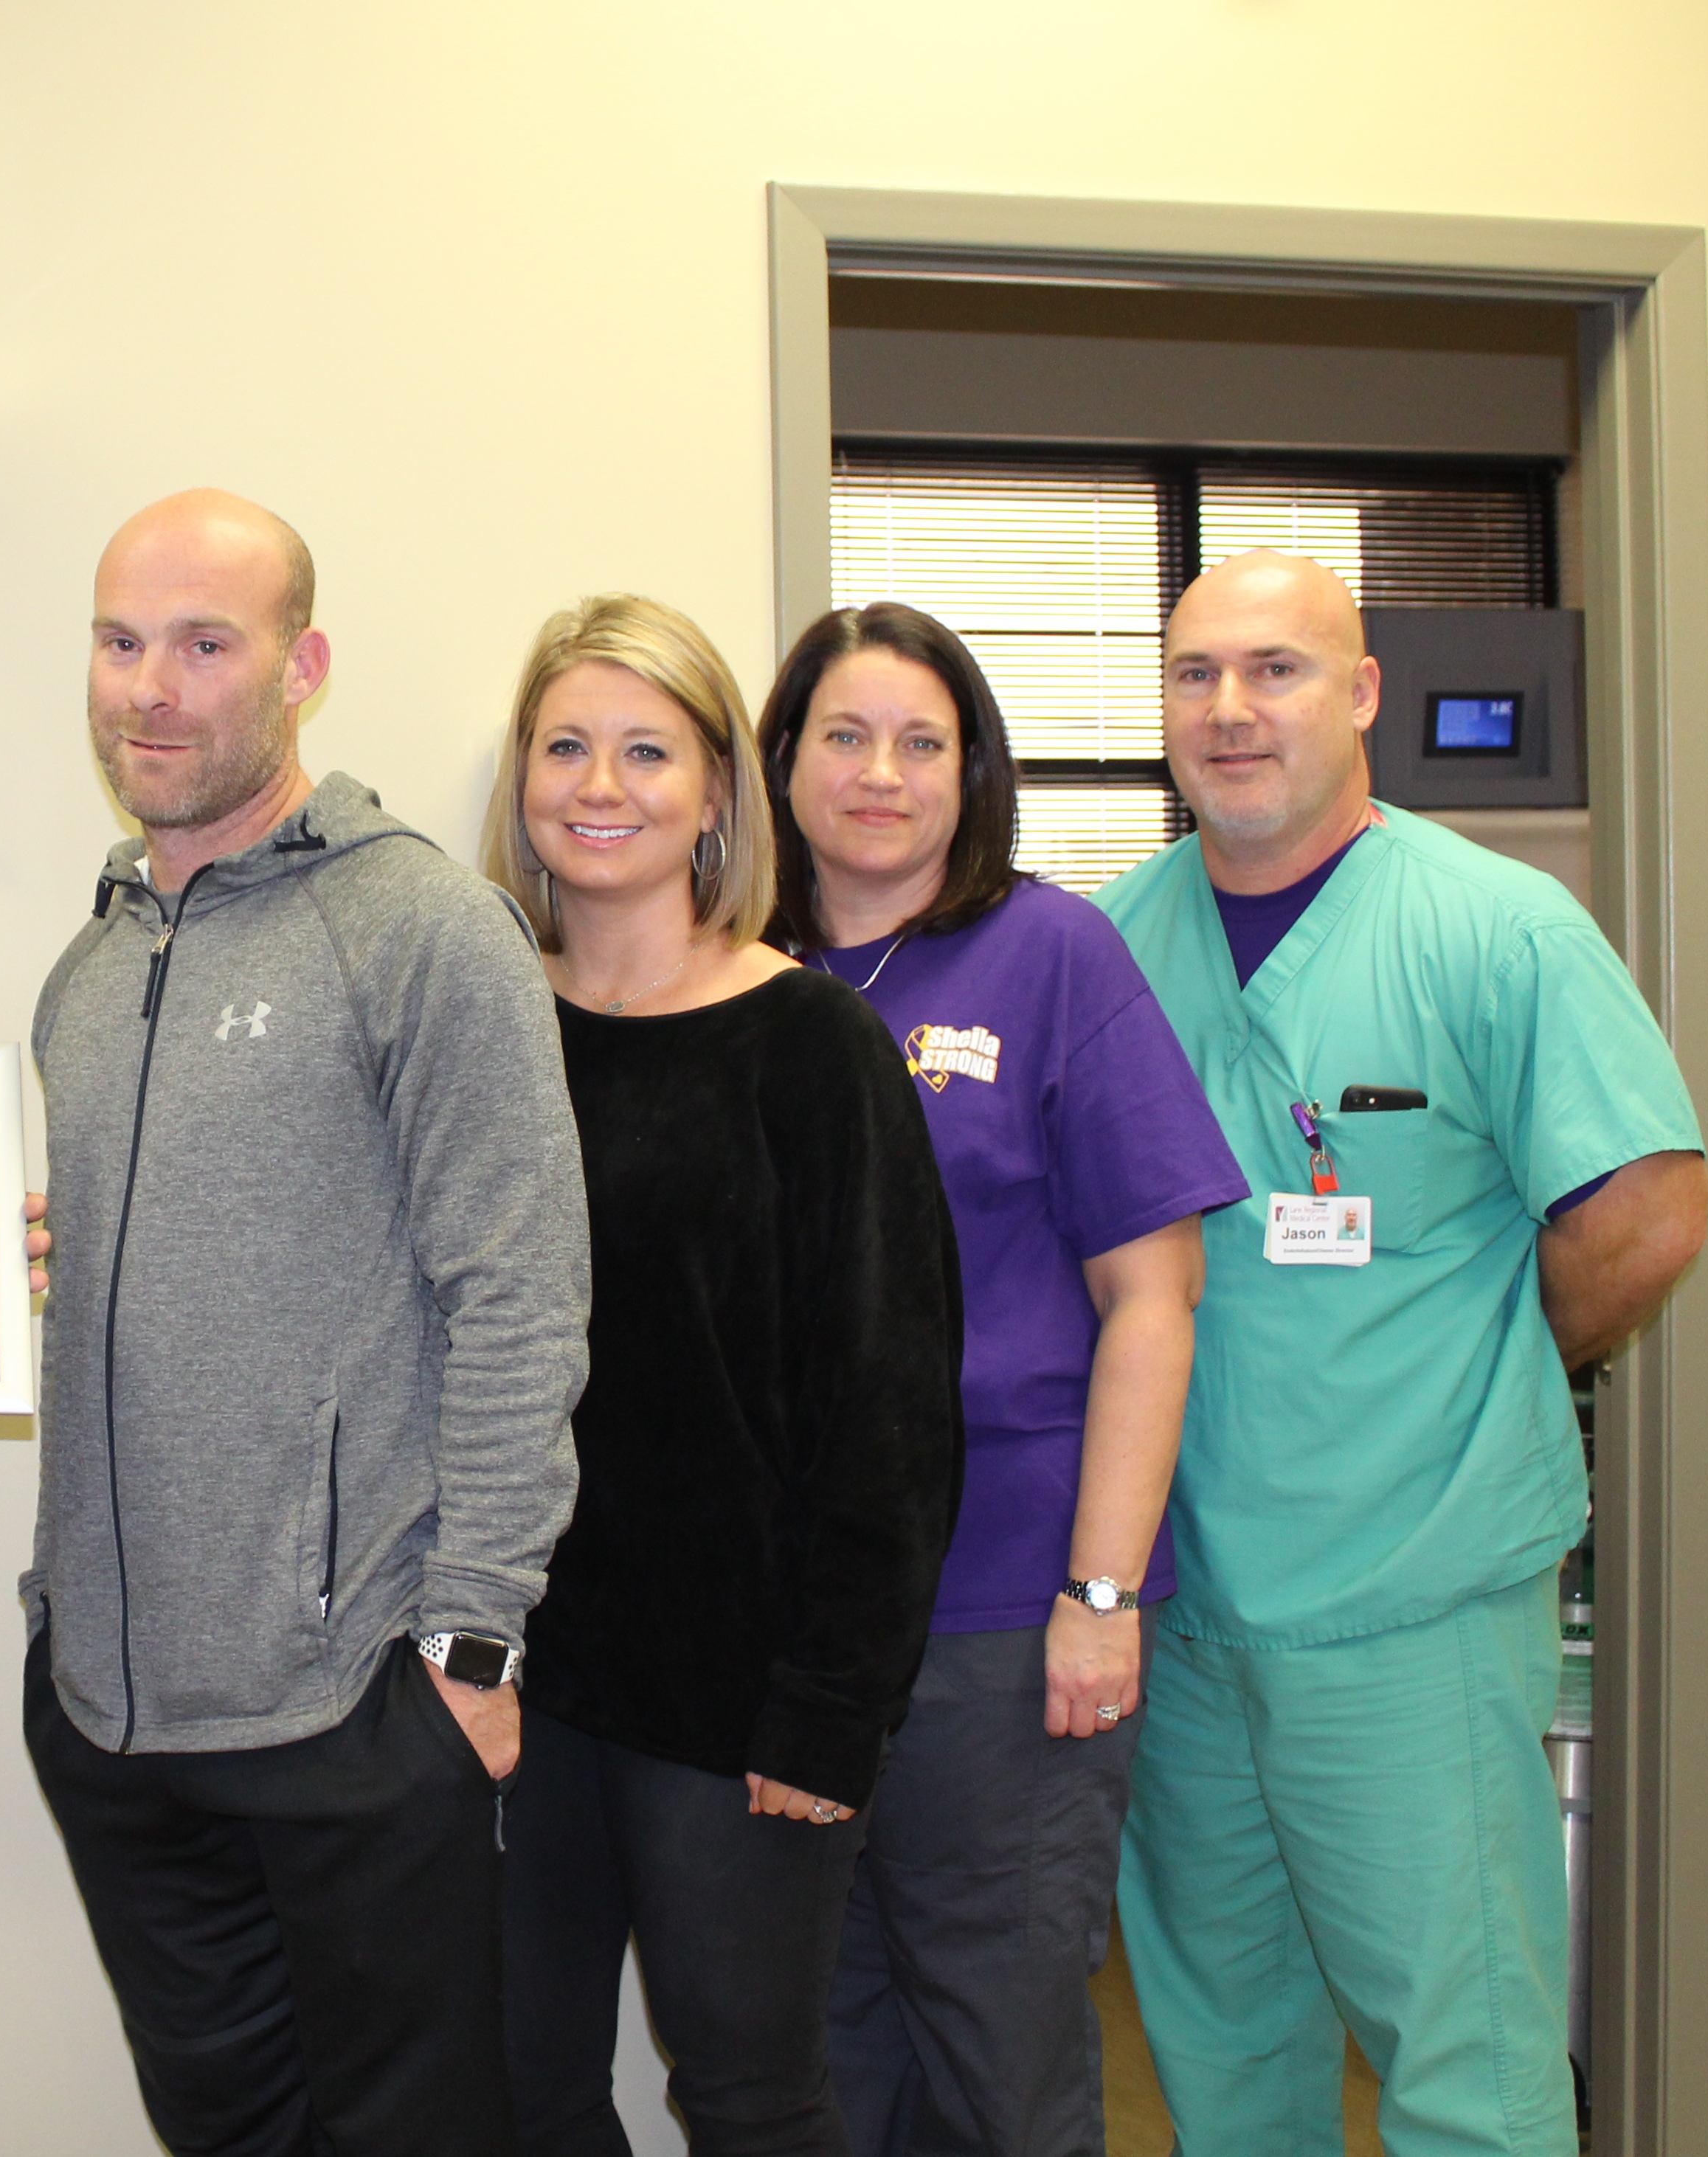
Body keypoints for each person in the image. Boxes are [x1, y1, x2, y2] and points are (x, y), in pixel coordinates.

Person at [1095, 550, 1707, 2156]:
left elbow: (1645, 1206)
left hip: (1410, 1607)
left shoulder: (1494, 929)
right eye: (1191, 674)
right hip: (1183, 1613)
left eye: (1274, 669)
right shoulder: (1108, 946)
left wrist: (1489, 1352)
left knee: (1462, 2065)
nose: (1228, 710)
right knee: (1221, 2060)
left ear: (1358, 693)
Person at [27, 489, 590, 2156]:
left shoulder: (418, 926)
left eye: (205, 643)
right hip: (117, 1717)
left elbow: (518, 1294)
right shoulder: (86, 959)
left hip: (352, 1711)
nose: (152, 685)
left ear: (301, 665)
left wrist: (470, 1642)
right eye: (121, 641)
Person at [755, 602, 1248, 2157]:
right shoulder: (722, 974)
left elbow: (1153, 1298)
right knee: (811, 2058)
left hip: (997, 1617)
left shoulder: (1047, 954)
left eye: (921, 740)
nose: (879, 773)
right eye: (841, 734)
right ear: (777, 764)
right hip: (780, 1630)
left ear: (973, 771)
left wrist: (1097, 1596)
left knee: (1000, 2060)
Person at [486, 594, 965, 2157]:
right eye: (563, 744)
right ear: (520, 778)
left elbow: (888, 1406)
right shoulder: (479, 1030)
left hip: (737, 1694)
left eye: (644, 748)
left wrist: (830, 1710)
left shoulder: (811, 1045)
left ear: (710, 792)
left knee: (751, 2099)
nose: (597, 783)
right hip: (505, 1674)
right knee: (520, 2094)